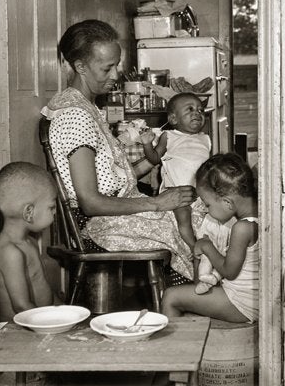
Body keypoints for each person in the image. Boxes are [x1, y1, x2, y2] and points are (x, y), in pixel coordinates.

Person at [41, 19, 204, 283]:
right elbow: (91, 202)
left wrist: (153, 161)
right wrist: (156, 202)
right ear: (80, 67)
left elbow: (113, 176)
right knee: (190, 229)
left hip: (118, 210)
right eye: (107, 68)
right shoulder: (74, 116)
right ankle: (189, 301)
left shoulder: (88, 107)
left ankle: (194, 301)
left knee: (200, 211)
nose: (115, 75)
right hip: (98, 226)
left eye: (116, 65)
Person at [161, 153, 259, 323]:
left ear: (227, 202)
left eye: (208, 205)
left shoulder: (242, 228)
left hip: (241, 302)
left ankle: (174, 348)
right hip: (250, 297)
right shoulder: (258, 214)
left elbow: (229, 272)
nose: (207, 210)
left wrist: (207, 246)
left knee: (170, 296)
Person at [0, 162, 62, 329]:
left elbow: (44, 289)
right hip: (14, 331)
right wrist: (51, 327)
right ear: (29, 212)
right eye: (51, 207)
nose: (55, 212)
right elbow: (21, 307)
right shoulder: (9, 252)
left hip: (35, 322)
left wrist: (66, 312)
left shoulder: (29, 242)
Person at [139, 92, 212, 251]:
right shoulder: (169, 136)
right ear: (173, 119)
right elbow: (155, 158)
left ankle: (212, 246)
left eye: (200, 110)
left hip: (200, 191)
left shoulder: (205, 139)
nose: (197, 113)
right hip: (176, 192)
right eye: (190, 109)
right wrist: (147, 144)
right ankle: (194, 247)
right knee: (184, 217)